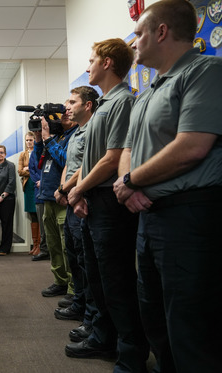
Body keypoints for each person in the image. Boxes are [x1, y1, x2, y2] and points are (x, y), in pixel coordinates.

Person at [114, 1, 222, 371]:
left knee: (190, 328)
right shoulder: (147, 93)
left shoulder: (205, 72)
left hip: (189, 219)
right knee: (155, 319)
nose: (134, 44)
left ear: (161, 32)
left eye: (139, 34)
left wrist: (129, 181)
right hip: (149, 218)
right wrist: (127, 184)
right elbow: (128, 146)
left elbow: (192, 146)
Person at [65, 38, 149, 372]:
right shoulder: (103, 105)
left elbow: (113, 158)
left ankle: (130, 355)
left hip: (111, 205)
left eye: (92, 60)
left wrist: (77, 190)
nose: (88, 67)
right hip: (94, 199)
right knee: (98, 276)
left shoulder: (123, 102)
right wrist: (81, 192)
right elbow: (91, 157)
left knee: (117, 280)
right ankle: (103, 336)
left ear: (108, 63)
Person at [53, 87, 101, 335]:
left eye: (72, 102)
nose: (67, 107)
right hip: (71, 198)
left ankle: (88, 313)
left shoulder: (93, 129)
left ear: (89, 105)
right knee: (74, 254)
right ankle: (79, 302)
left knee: (84, 259)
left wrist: (70, 189)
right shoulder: (76, 133)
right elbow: (68, 165)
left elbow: (85, 165)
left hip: (83, 199)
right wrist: (62, 188)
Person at [31, 112, 77, 298]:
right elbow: (40, 162)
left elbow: (66, 161)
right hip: (47, 197)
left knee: (67, 246)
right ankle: (60, 281)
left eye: (68, 112)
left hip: (62, 198)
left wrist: (48, 139)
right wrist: (38, 139)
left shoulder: (74, 136)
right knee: (53, 244)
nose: (64, 116)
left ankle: (74, 288)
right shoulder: (58, 136)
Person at [18, 132, 40, 255]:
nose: (29, 142)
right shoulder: (23, 154)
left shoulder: (39, 151)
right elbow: (20, 171)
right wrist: (31, 170)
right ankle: (35, 245)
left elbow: (39, 170)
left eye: (31, 140)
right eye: (27, 140)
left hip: (38, 184)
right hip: (28, 186)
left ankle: (41, 246)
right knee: (32, 214)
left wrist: (29, 169)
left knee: (39, 213)